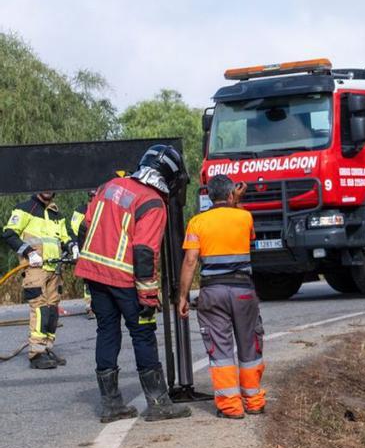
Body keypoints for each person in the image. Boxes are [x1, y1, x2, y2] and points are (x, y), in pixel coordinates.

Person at [75, 144, 192, 423]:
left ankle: (111, 405)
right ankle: (158, 403)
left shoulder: (110, 186)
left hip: (94, 274)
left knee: (107, 332)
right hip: (126, 278)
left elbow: (84, 228)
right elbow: (143, 252)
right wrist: (148, 299)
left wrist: (91, 266)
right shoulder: (152, 202)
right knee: (143, 334)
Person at [177, 174, 265, 419]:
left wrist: (182, 296)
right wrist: (236, 202)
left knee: (221, 350)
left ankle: (231, 407)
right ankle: (254, 401)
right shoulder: (244, 216)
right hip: (243, 292)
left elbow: (190, 260)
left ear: (207, 196)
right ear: (230, 195)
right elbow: (248, 235)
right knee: (250, 345)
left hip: (212, 293)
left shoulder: (197, 222)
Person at [2, 191, 75, 369]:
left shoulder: (57, 214)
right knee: (40, 309)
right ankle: (36, 353)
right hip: (35, 269)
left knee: (52, 310)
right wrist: (29, 252)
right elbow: (9, 234)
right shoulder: (25, 209)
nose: (47, 189)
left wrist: (73, 246)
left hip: (55, 270)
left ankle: (46, 347)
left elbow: (66, 237)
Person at [68, 192, 96, 319]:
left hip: (102, 249)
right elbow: (74, 229)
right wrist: (75, 247)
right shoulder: (81, 210)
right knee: (88, 279)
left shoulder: (106, 206)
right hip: (86, 249)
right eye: (91, 196)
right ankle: (90, 306)